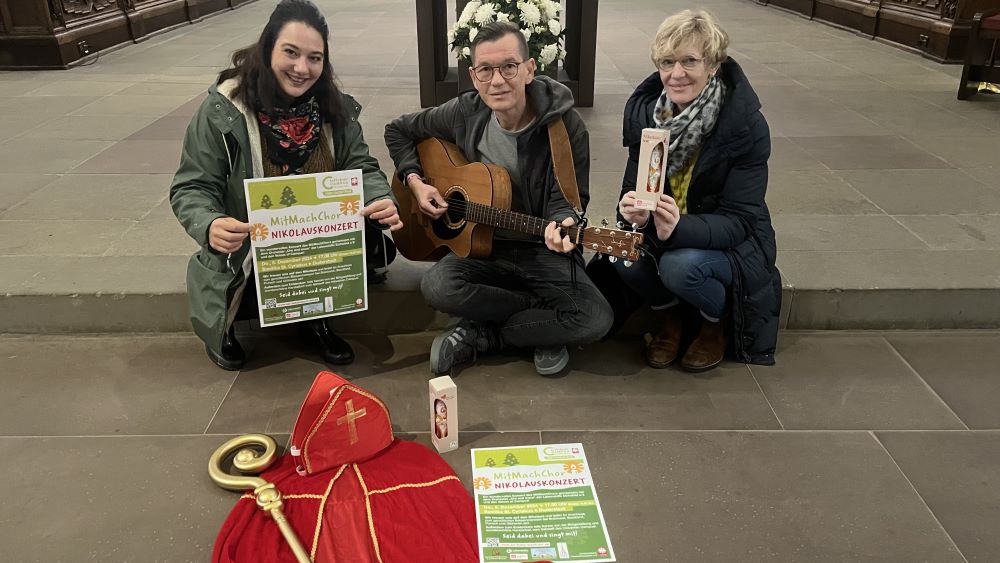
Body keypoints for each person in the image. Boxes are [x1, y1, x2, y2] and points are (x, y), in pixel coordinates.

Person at [170, 0, 402, 371]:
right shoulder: (224, 111)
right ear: (267, 49)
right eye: (290, 53)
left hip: (313, 250)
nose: (302, 68)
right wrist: (210, 224)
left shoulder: (333, 109)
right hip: (247, 248)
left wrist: (379, 197)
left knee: (338, 255)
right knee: (241, 291)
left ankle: (315, 318)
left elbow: (361, 167)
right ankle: (225, 325)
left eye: (315, 58)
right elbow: (191, 186)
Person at [384, 21, 612, 376]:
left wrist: (563, 223)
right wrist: (415, 181)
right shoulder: (465, 112)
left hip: (540, 247)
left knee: (596, 318)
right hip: (483, 248)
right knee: (438, 285)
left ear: (530, 69)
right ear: (474, 77)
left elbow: (568, 199)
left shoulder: (564, 128)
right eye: (486, 70)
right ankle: (540, 320)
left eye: (508, 66)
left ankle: (486, 333)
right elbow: (397, 130)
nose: (497, 80)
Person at [613, 9, 781, 372]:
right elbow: (632, 186)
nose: (676, 74)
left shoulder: (743, 124)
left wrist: (679, 229)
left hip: (735, 242)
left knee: (680, 265)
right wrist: (632, 212)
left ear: (714, 64)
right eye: (667, 62)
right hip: (666, 231)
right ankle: (669, 317)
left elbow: (740, 220)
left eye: (690, 61)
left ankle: (712, 324)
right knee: (623, 256)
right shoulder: (648, 116)